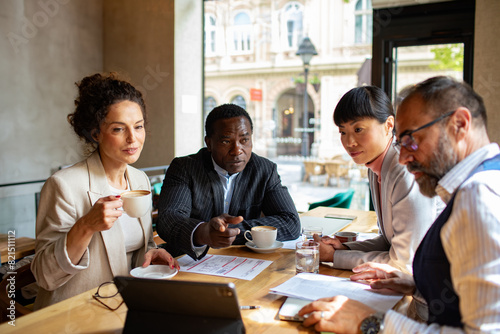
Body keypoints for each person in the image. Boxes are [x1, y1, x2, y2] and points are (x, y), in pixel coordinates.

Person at [298, 76, 500, 333]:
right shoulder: (478, 185)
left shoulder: (480, 196)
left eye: (411, 139)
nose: (402, 157)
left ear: (459, 124)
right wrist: (416, 284)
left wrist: (370, 322)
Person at [31, 73, 179, 309]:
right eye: (119, 129)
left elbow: (137, 247)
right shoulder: (64, 185)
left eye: (138, 127)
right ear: (96, 133)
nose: (133, 138)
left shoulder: (139, 180)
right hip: (75, 315)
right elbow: (45, 275)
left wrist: (151, 253)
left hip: (127, 306)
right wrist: (86, 225)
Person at [314, 86, 440, 273]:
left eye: (358, 129)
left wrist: (333, 256)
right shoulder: (376, 167)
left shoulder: (405, 170)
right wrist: (344, 249)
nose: (349, 142)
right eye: (343, 132)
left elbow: (403, 263)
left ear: (389, 125)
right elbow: (387, 241)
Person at [157, 103, 300, 260]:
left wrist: (229, 232)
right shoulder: (185, 168)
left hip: (240, 263)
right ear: (209, 143)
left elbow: (290, 223)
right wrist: (203, 233)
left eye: (244, 140)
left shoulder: (264, 170)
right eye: (226, 141)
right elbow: (168, 219)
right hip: (187, 261)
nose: (237, 150)